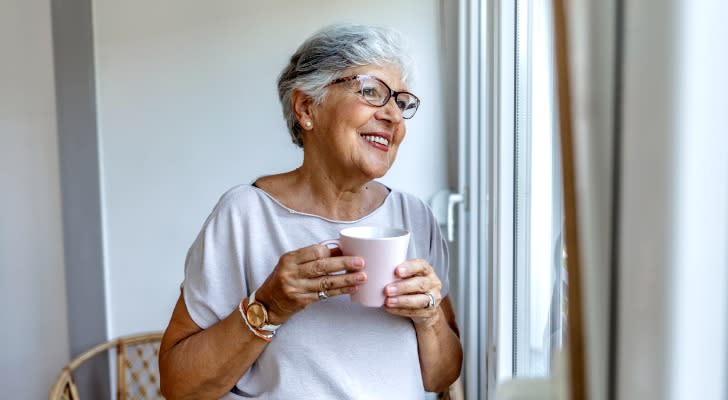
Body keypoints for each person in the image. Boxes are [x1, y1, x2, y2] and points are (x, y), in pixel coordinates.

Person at [159, 23, 463, 400]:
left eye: (401, 102)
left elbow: (441, 377)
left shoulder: (414, 216)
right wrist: (267, 307)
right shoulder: (245, 216)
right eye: (371, 92)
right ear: (306, 107)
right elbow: (178, 386)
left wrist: (429, 316)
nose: (394, 117)